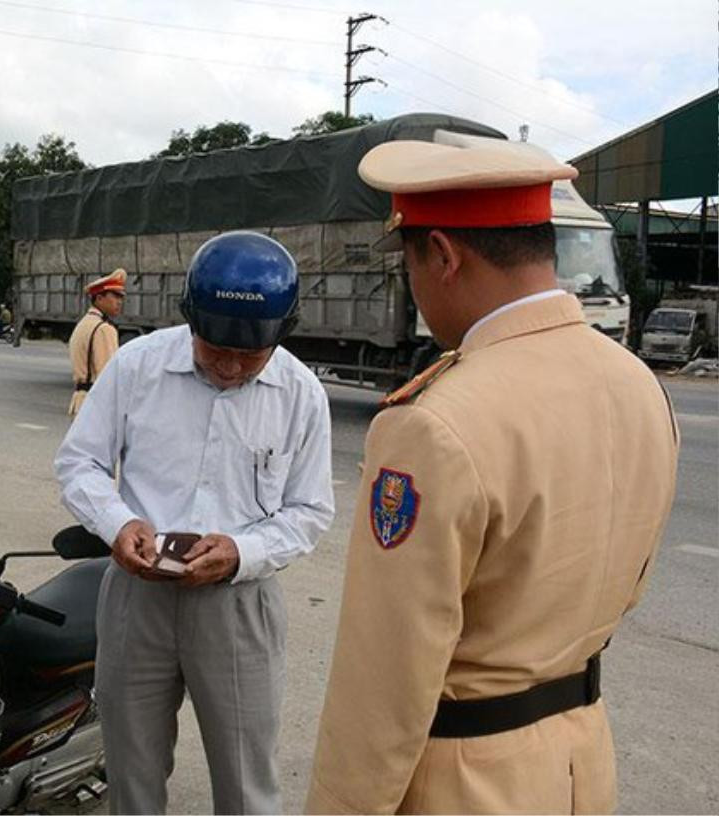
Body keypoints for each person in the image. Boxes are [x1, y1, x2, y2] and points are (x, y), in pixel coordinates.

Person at [305, 140, 679, 813]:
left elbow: (385, 680)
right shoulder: (637, 384)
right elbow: (626, 589)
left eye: (411, 264)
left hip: (465, 784)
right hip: (580, 764)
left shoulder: (433, 424)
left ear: (444, 256)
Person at [55, 231, 335, 814]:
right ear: (190, 322)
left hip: (238, 606)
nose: (232, 366)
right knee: (130, 770)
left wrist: (240, 552)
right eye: (215, 349)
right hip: (137, 594)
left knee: (245, 781)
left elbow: (310, 511)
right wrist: (119, 522)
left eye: (250, 354)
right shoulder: (138, 366)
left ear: (281, 333)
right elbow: (79, 461)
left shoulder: (300, 394)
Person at [67, 267, 125, 415]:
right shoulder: (103, 329)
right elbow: (109, 376)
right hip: (96, 403)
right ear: (99, 298)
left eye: (121, 297)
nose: (119, 302)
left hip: (80, 399)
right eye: (115, 296)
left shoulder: (84, 323)